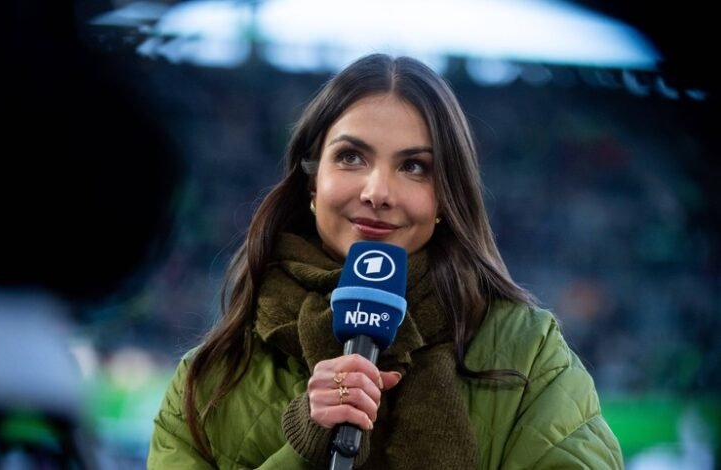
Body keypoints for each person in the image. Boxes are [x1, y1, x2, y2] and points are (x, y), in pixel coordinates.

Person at [147, 53, 623, 469]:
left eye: (414, 166)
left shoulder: (530, 354)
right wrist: (305, 448)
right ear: (312, 181)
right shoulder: (207, 382)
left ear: (446, 198)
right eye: (351, 157)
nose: (377, 192)